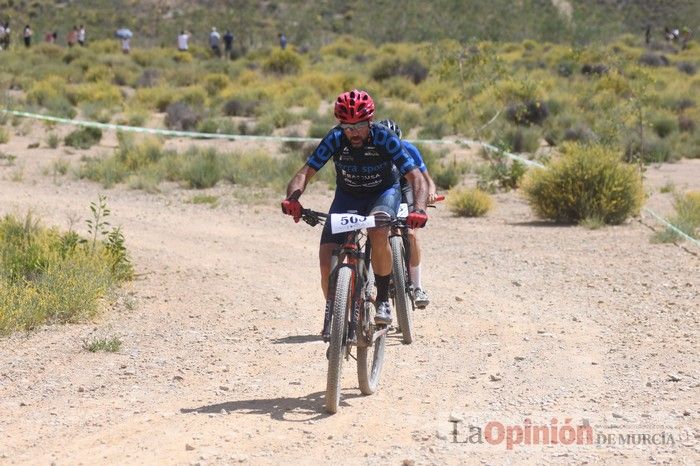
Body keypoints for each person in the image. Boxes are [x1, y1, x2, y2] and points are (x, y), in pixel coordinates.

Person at [281, 90, 428, 336]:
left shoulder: (385, 138)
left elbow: (416, 178)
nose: (354, 132)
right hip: (348, 197)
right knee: (326, 260)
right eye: (347, 127)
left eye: (359, 126)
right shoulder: (335, 138)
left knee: (378, 231)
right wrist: (293, 198)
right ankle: (342, 315)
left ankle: (382, 298)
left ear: (370, 121)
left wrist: (420, 209)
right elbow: (305, 172)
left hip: (383, 193)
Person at [377, 119, 437, 308]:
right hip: (384, 190)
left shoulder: (409, 149)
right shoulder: (372, 152)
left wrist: (432, 193)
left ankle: (417, 286)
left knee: (411, 233)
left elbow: (426, 180)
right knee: (379, 233)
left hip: (406, 189)